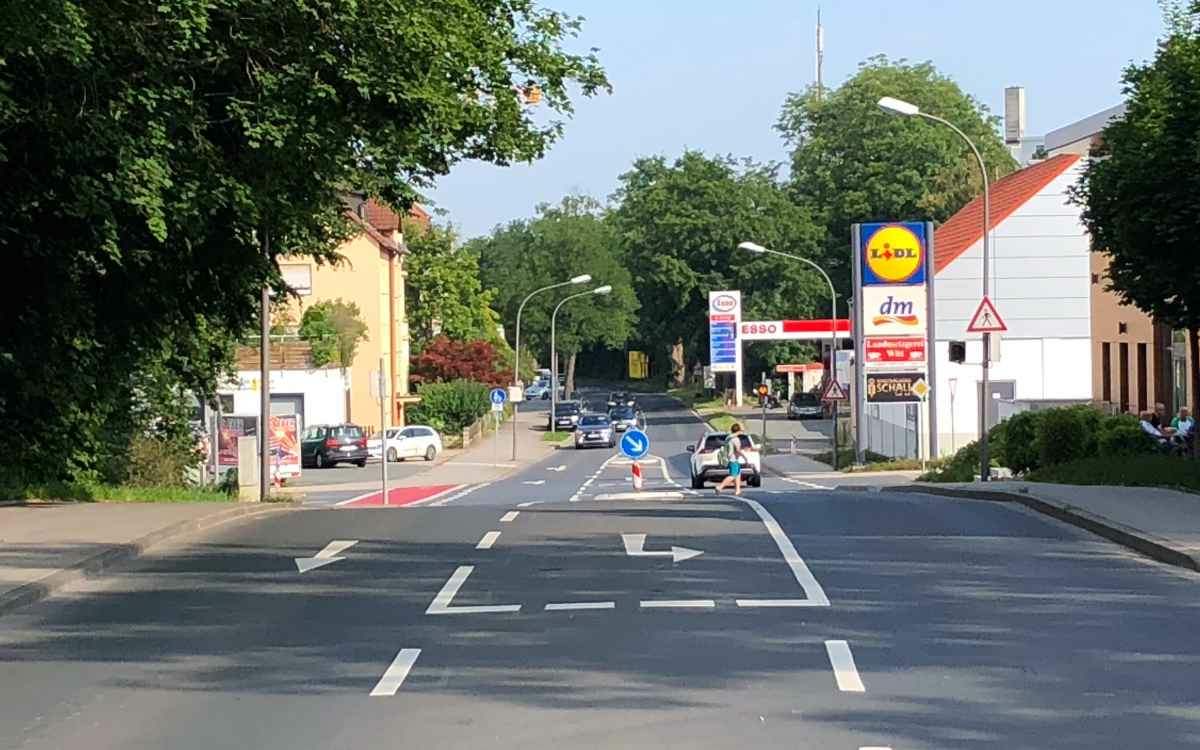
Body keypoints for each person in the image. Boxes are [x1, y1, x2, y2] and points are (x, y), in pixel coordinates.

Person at [714, 423, 747, 497]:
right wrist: (745, 457)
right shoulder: (735, 439)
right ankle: (720, 487)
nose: (743, 428)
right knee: (733, 476)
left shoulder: (729, 437)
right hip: (733, 459)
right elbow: (738, 450)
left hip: (730, 458)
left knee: (738, 474)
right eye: (742, 427)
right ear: (739, 430)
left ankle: (737, 490)